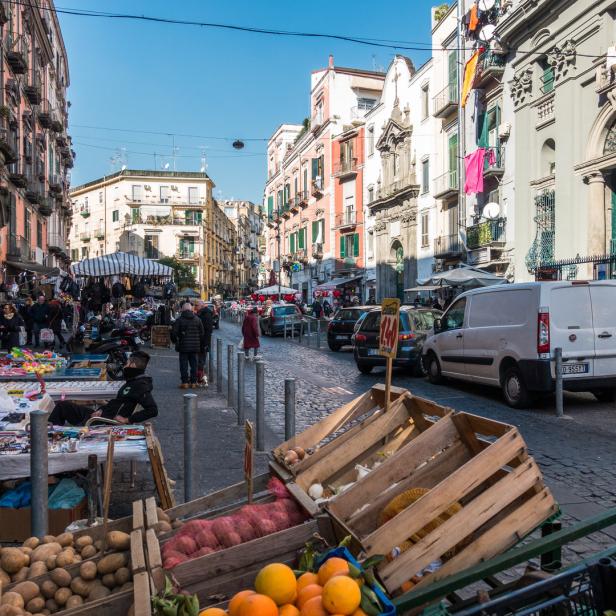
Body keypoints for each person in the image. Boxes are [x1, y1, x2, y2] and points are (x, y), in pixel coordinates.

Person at [49, 351, 158, 426]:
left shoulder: (140, 385)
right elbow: (117, 403)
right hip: (101, 415)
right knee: (62, 406)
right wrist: (101, 410)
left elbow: (152, 410)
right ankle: (51, 434)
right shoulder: (133, 381)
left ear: (133, 365)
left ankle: (49, 438)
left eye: (127, 363)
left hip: (103, 422)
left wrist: (128, 419)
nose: (124, 366)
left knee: (62, 409)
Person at [171, 302, 204, 389]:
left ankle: (185, 382)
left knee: (183, 365)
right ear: (191, 309)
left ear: (183, 309)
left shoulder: (179, 320)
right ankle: (193, 382)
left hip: (183, 346)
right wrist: (199, 343)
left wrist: (175, 341)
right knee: (194, 365)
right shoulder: (197, 319)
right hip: (195, 347)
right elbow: (202, 333)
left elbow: (173, 333)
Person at [196, 301, 214, 384]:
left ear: (201, 306)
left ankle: (200, 377)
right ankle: (199, 376)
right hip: (200, 341)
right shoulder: (201, 313)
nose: (195, 307)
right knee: (200, 359)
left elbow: (208, 330)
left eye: (197, 305)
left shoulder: (205, 315)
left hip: (203, 342)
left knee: (201, 360)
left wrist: (206, 343)